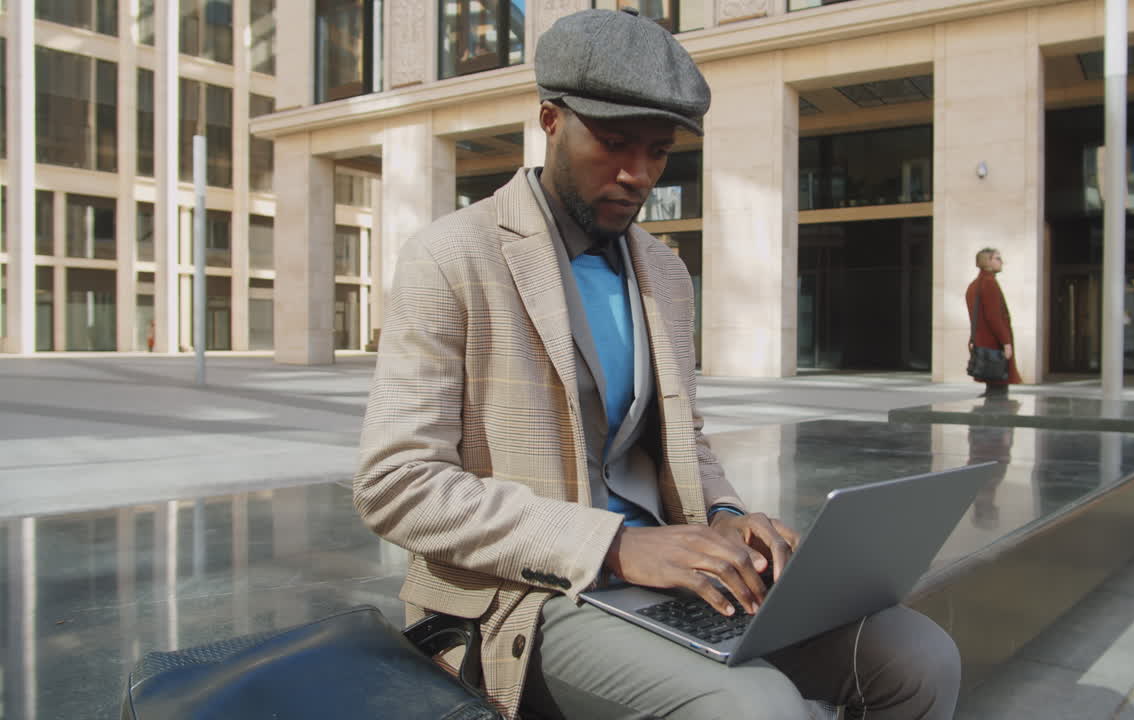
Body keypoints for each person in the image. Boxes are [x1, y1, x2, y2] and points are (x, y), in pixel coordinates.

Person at [355, 9, 960, 719]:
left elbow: (684, 438)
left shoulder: (665, 275)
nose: (636, 175)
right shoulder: (452, 256)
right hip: (525, 595)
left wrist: (729, 515)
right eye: (612, 144)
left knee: (918, 659)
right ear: (551, 120)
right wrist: (613, 546)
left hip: (666, 577)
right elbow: (397, 484)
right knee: (756, 709)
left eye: (659, 152)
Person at [965, 248, 1022, 397]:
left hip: (983, 345)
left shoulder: (974, 285)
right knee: (998, 389)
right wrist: (1006, 342)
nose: (1002, 262)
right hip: (994, 346)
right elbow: (994, 317)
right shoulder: (989, 283)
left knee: (992, 388)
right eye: (997, 258)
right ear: (987, 262)